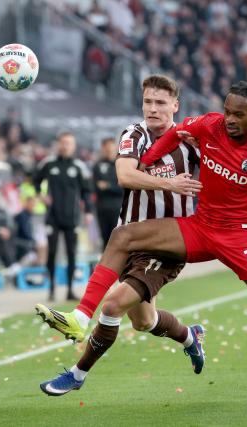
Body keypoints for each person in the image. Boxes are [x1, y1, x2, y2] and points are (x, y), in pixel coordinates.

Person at [38, 82, 247, 405]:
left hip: (241, 236)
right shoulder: (210, 124)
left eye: (238, 114)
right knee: (122, 237)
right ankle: (82, 317)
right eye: (227, 111)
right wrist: (152, 159)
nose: (229, 119)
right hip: (200, 228)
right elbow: (176, 132)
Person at [36, 75, 205, 396]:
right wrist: (171, 184)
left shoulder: (189, 139)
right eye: (147, 102)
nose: (152, 109)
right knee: (144, 321)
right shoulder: (135, 134)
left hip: (168, 244)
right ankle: (189, 336)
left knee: (112, 306)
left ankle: (77, 374)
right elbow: (125, 175)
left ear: (175, 106)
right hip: (133, 241)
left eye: (160, 103)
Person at [34, 132, 94, 301]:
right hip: (52, 217)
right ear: (58, 144)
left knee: (71, 253)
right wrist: (40, 194)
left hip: (72, 217)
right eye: (63, 143)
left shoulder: (78, 167)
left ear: (73, 146)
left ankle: (69, 289)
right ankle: (51, 289)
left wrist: (88, 211)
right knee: (51, 252)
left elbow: (87, 191)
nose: (65, 146)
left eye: (69, 143)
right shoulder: (48, 163)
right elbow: (35, 179)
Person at [92, 137, 123, 249]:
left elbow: (124, 187)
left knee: (119, 239)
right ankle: (106, 266)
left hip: (118, 208)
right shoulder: (97, 165)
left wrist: (108, 186)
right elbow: (95, 186)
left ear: (115, 147)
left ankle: (121, 266)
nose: (109, 149)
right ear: (102, 148)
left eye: (111, 146)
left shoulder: (121, 164)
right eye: (106, 147)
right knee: (105, 240)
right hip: (102, 208)